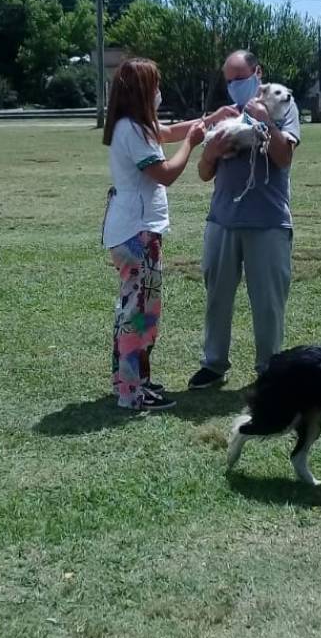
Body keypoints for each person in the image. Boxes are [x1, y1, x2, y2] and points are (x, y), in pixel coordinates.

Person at [103, 58, 234, 411]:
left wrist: (209, 120)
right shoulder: (132, 130)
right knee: (139, 313)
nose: (160, 91)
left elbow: (168, 132)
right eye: (156, 85)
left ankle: (131, 378)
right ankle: (132, 392)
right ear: (145, 91)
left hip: (133, 231)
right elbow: (166, 173)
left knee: (133, 310)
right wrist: (191, 145)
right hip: (138, 235)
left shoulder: (133, 126)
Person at [188, 50, 301, 389]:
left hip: (267, 222)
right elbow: (205, 174)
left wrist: (265, 121)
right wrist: (208, 154)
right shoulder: (226, 116)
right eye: (230, 80)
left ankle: (269, 368)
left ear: (258, 74)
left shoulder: (283, 106)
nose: (236, 85)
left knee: (268, 301)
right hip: (222, 221)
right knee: (217, 297)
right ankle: (214, 363)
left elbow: (283, 158)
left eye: (241, 77)